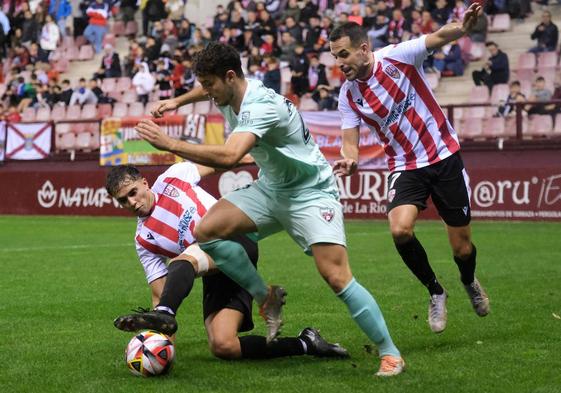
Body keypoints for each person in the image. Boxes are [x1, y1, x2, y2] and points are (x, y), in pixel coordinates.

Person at [136, 42, 405, 377]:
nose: (206, 92)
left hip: (311, 192)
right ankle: (267, 297)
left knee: (336, 275)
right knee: (207, 230)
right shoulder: (230, 90)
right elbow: (208, 89)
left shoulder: (258, 106)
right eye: (202, 84)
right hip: (272, 188)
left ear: (230, 77)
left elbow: (230, 156)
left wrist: (170, 144)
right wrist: (178, 100)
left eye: (209, 84)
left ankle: (390, 352)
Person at [329, 3, 490, 335]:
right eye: (335, 57)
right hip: (405, 165)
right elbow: (350, 140)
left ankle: (468, 279)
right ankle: (435, 291)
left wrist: (463, 27)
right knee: (400, 230)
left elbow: (438, 37)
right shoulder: (349, 95)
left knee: (462, 247)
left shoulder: (397, 56)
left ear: (363, 48)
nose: (339, 63)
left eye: (344, 54)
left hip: (444, 155)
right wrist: (350, 158)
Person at [108, 163, 348, 361]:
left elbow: (220, 161)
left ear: (145, 183)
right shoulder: (143, 241)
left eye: (133, 193)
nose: (132, 202)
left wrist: (261, 157)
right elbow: (161, 293)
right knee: (223, 345)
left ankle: (167, 313)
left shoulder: (172, 177)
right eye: (123, 200)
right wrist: (160, 348)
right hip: (214, 271)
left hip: (233, 238)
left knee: (181, 263)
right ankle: (307, 343)